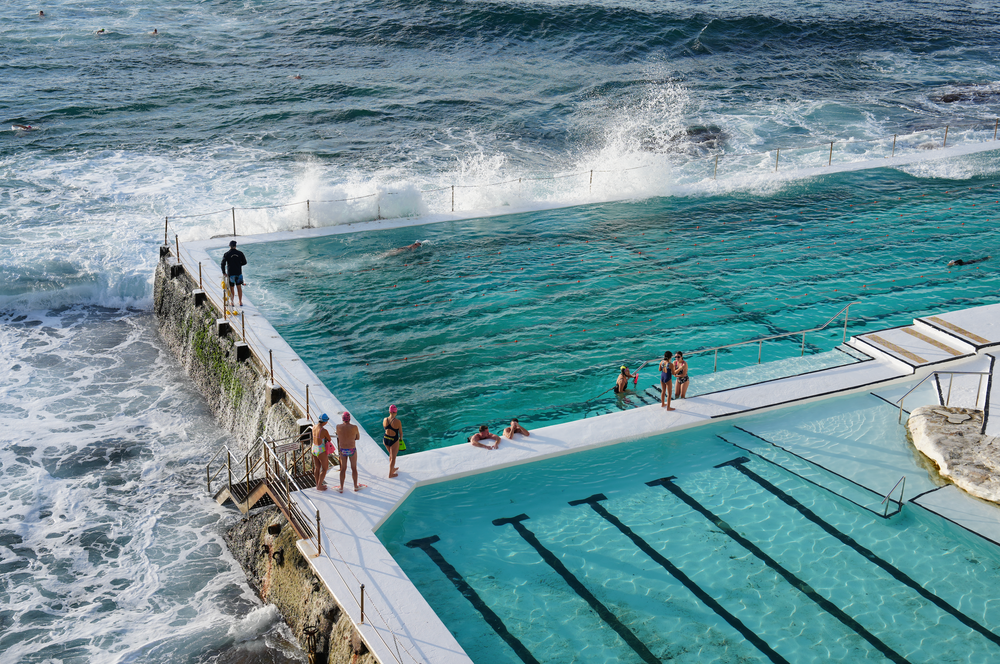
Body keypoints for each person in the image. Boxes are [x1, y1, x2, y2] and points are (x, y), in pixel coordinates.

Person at [336, 412, 365, 493]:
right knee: (354, 468)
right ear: (349, 419)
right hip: (351, 449)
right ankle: (355, 486)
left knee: (343, 469)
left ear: (342, 419)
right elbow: (358, 437)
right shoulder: (354, 427)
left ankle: (341, 487)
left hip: (343, 450)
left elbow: (339, 435)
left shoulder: (338, 426)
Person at [220, 239, 248, 306]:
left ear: (229, 246)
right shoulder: (240, 253)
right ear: (235, 246)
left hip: (231, 274)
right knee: (239, 288)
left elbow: (222, 264)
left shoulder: (227, 254)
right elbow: (245, 262)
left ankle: (232, 302)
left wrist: (224, 272)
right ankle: (240, 301)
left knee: (231, 288)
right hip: (239, 273)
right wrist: (238, 264)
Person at [312, 413, 331, 491]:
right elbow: (329, 439)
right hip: (320, 450)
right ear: (325, 422)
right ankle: (319, 486)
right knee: (325, 468)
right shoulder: (324, 430)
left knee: (317, 467)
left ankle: (317, 484)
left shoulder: (314, 426)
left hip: (314, 448)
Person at [382, 405, 401, 478]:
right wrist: (401, 440)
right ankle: (390, 474)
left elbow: (385, 428)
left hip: (385, 439)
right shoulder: (398, 421)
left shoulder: (385, 419)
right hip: (393, 440)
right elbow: (401, 433)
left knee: (391, 454)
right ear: (396, 412)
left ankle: (392, 468)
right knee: (393, 457)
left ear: (389, 411)